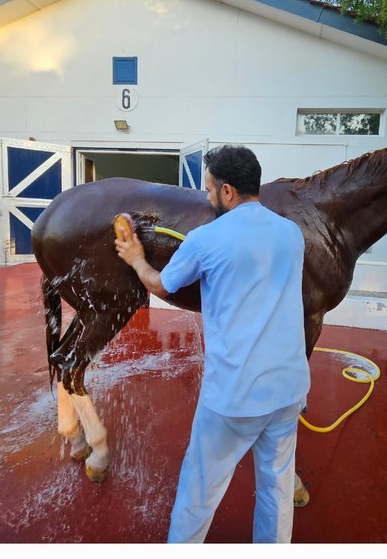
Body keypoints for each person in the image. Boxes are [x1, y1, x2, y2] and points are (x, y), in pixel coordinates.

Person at [114, 146, 309, 544]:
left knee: (198, 493)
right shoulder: (292, 233)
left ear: (228, 192)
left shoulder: (205, 239)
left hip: (234, 396)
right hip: (289, 390)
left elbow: (160, 284)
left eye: (208, 189)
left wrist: (135, 257)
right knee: (277, 488)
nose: (205, 197)